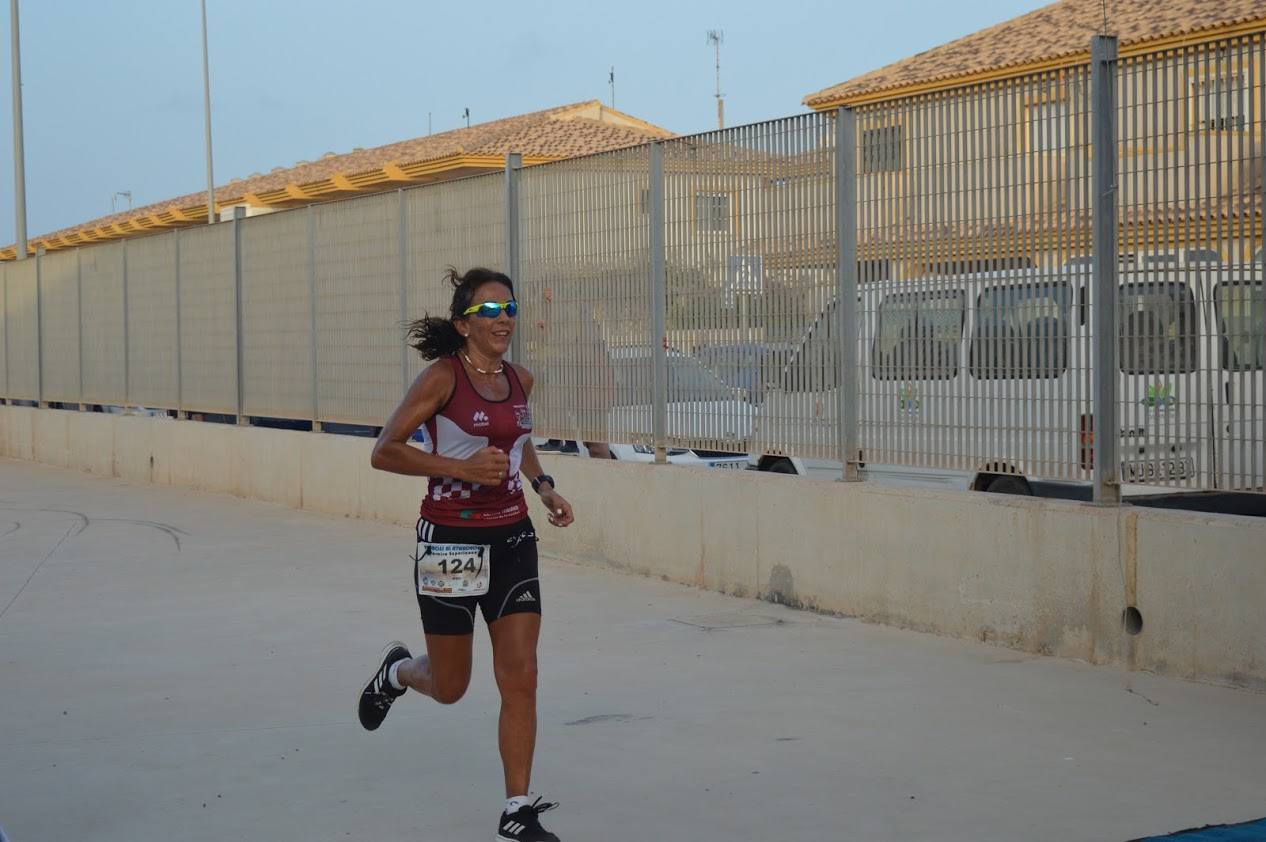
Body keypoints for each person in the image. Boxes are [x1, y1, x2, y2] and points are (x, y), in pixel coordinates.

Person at [358, 267, 574, 842]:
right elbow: (385, 452)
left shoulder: (522, 379)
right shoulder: (441, 380)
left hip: (512, 537)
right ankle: (398, 672)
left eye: (510, 309)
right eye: (489, 311)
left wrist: (544, 485)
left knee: (521, 673)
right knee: (451, 686)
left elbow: (518, 444)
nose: (503, 319)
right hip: (450, 540)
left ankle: (517, 808)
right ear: (463, 324)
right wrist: (459, 468)